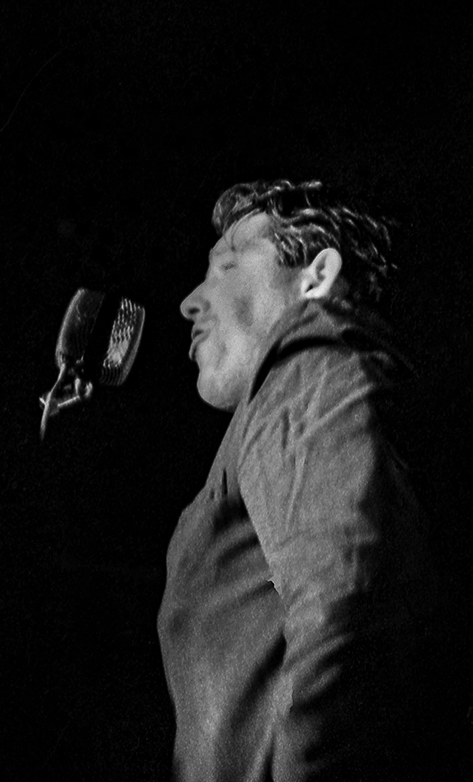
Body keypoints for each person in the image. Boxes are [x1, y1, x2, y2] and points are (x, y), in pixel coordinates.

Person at [160, 180, 436, 781]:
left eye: (227, 263)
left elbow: (350, 610)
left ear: (316, 276)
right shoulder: (293, 397)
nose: (190, 300)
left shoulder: (307, 360)